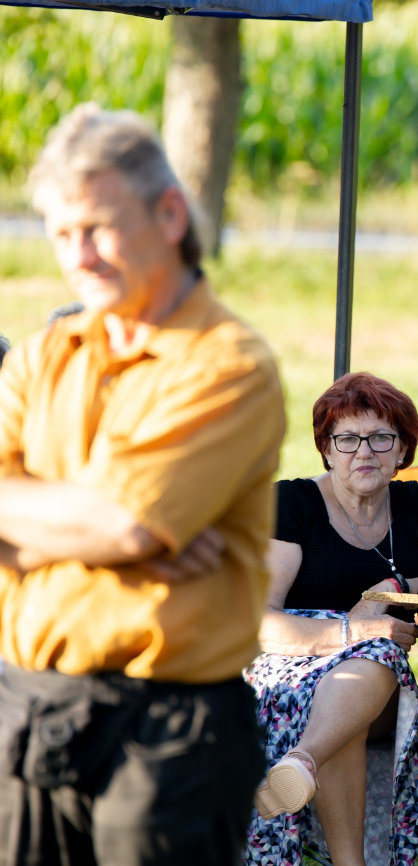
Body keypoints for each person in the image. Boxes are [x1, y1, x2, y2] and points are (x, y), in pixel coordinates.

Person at [0, 104, 285, 864]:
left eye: (95, 227)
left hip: (170, 733)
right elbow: (124, 527)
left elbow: (125, 524)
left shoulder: (227, 365)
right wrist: (107, 530)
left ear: (168, 214)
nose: (78, 256)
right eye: (61, 235)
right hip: (29, 705)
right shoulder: (41, 356)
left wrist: (52, 533)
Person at [244, 372, 418, 866]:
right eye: (347, 439)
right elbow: (260, 622)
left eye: (381, 438)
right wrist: (351, 630)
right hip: (290, 672)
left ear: (403, 450)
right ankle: (310, 773)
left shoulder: (417, 508)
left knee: (373, 655)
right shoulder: (293, 503)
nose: (364, 453)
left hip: (381, 685)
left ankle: (300, 764)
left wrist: (385, 596)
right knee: (358, 672)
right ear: (326, 450)